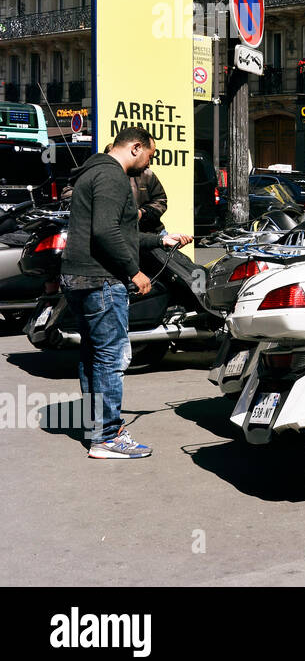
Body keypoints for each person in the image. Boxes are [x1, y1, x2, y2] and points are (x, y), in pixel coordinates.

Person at [61, 127, 192, 459]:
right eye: (150, 153)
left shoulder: (92, 173)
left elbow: (115, 229)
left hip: (78, 277)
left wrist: (159, 240)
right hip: (100, 279)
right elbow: (105, 232)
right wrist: (134, 271)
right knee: (111, 357)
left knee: (93, 355)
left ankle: (97, 428)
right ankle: (107, 436)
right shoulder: (112, 176)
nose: (150, 161)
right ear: (135, 147)